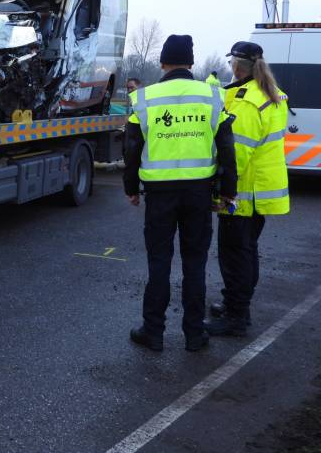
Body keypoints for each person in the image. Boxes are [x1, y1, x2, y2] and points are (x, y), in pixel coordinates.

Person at [123, 34, 237, 352]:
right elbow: (226, 149)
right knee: (195, 263)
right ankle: (194, 335)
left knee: (159, 262)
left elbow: (132, 148)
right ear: (190, 63)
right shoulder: (212, 96)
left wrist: (131, 188)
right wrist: (228, 190)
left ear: (162, 63)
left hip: (159, 194)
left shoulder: (143, 98)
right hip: (199, 193)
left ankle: (153, 332)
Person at [205, 41, 290, 337]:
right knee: (246, 251)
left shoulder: (248, 101)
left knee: (235, 255)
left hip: (242, 192)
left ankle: (236, 317)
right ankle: (236, 306)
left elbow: (236, 154)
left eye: (231, 65)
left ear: (238, 67)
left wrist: (222, 193)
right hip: (258, 192)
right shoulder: (269, 95)